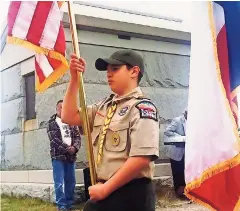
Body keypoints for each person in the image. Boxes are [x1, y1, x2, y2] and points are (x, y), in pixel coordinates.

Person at [62, 50, 160, 211]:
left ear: (134, 71)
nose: (108, 74)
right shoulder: (104, 107)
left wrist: (106, 189)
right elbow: (68, 116)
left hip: (131, 195)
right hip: (106, 191)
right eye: (107, 70)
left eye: (115, 69)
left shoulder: (142, 108)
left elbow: (142, 157)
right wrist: (74, 79)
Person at [47, 100, 81, 211]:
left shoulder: (71, 121)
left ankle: (69, 203)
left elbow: (77, 137)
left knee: (71, 181)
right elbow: (54, 140)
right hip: (58, 156)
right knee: (59, 182)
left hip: (71, 157)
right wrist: (68, 149)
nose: (62, 109)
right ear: (56, 109)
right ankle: (61, 206)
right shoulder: (52, 123)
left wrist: (75, 148)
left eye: (64, 107)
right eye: (60, 107)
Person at [164, 109, 187, 199]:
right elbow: (167, 132)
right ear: (185, 113)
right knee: (178, 173)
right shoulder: (177, 120)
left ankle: (186, 192)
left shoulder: (193, 122)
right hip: (176, 152)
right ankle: (179, 193)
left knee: (185, 173)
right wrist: (182, 138)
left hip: (186, 152)